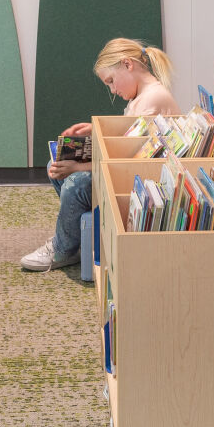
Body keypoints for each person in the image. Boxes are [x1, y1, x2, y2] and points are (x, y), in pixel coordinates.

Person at [20, 38, 180, 272]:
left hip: (139, 181)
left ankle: (63, 248)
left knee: (75, 183)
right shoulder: (142, 96)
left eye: (111, 81)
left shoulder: (152, 99)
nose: (113, 90)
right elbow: (128, 140)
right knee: (55, 167)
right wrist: (95, 131)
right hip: (129, 172)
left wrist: (79, 167)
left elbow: (126, 161)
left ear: (127, 64)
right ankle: (76, 236)